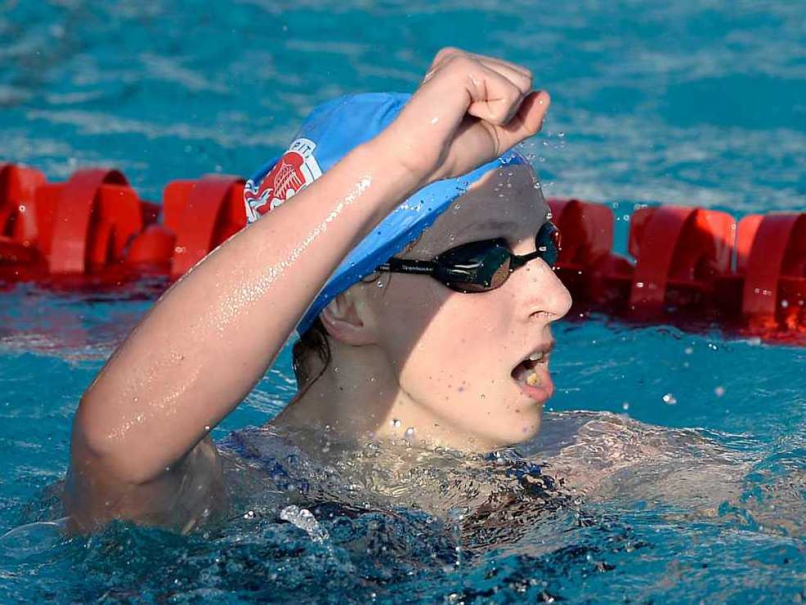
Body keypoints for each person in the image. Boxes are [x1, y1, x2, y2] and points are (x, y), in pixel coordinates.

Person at [64, 48, 572, 534]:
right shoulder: (227, 500)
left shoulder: (593, 459)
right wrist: (399, 165)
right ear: (348, 304)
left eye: (544, 245)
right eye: (480, 258)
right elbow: (116, 445)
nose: (556, 297)